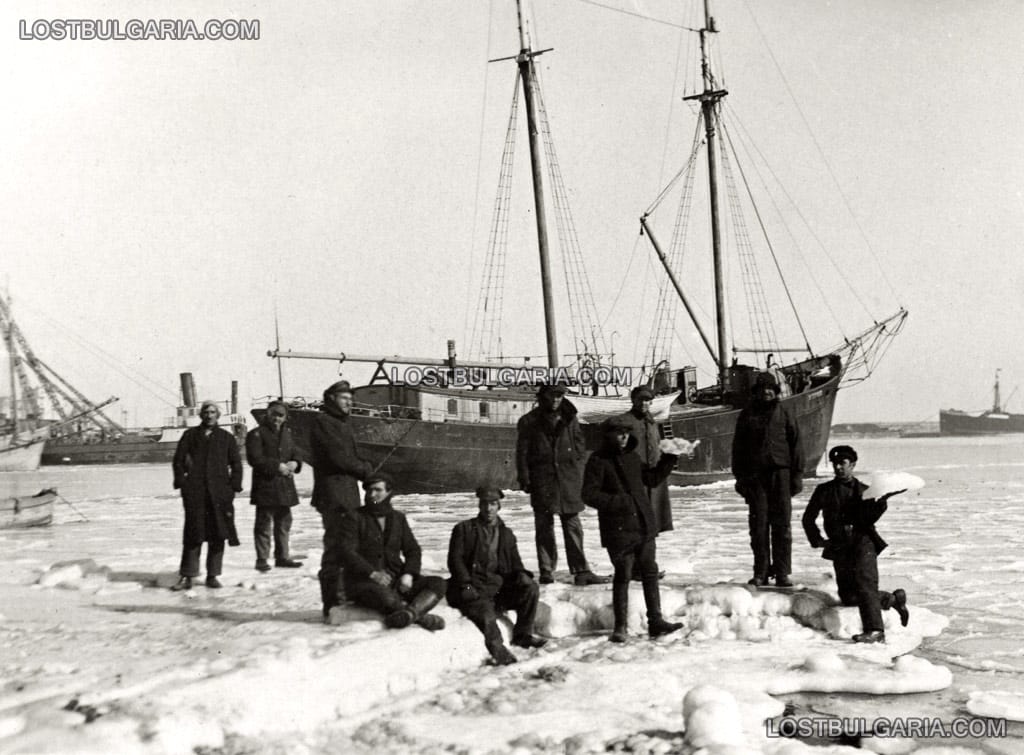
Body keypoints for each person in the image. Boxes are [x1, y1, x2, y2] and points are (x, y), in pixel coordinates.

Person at [582, 416, 683, 643]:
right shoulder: (598, 461)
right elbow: (588, 494)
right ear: (608, 435)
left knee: (649, 572)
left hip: (644, 525)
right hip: (618, 529)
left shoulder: (632, 456)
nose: (624, 436)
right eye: (619, 433)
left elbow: (652, 479)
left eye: (626, 432)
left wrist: (669, 457)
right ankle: (620, 627)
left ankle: (655, 621)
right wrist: (620, 502)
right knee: (623, 575)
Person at [802, 445, 909, 643]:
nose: (838, 468)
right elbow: (808, 518)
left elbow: (870, 519)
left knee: (865, 585)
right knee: (849, 596)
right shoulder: (823, 490)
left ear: (852, 465)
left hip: (863, 543)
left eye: (843, 464)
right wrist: (817, 540)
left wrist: (881, 502)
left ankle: (875, 631)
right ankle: (891, 600)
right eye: (835, 464)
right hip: (839, 546)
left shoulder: (865, 491)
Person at [515, 383, 606, 586]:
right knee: (544, 526)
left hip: (567, 479)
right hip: (543, 479)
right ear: (542, 397)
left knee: (572, 523)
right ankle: (546, 570)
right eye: (552, 396)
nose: (556, 400)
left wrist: (577, 467)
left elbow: (579, 444)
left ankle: (581, 570)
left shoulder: (570, 418)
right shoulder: (529, 421)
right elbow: (522, 452)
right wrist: (525, 478)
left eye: (559, 396)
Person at [447, 486, 547, 665]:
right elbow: (455, 562)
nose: (488, 508)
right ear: (479, 505)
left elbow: (516, 563)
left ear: (499, 506)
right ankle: (499, 651)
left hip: (498, 590)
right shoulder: (464, 529)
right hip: (473, 590)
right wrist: (466, 586)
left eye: (493, 504)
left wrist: (522, 575)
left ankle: (522, 635)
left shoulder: (506, 534)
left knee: (531, 588)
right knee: (486, 615)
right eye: (485, 504)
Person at [339, 474, 447, 631]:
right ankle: (422, 617)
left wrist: (408, 574)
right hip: (364, 582)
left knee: (438, 583)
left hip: (396, 578)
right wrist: (373, 574)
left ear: (388, 493)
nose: (372, 494)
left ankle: (411, 614)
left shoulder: (398, 518)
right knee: (387, 598)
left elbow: (412, 550)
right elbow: (347, 552)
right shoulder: (354, 517)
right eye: (369, 490)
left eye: (378, 490)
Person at [731, 371, 804, 587]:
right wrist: (740, 478)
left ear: (775, 391)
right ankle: (760, 572)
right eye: (762, 389)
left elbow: (797, 445)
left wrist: (797, 476)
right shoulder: (747, 415)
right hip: (755, 478)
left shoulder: (785, 413)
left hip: (780, 475)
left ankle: (782, 573)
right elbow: (738, 449)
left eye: (770, 388)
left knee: (782, 526)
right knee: (759, 526)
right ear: (757, 392)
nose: (767, 392)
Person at [310, 380, 374, 619]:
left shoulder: (341, 423)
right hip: (334, 496)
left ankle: (343, 597)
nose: (349, 402)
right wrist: (366, 470)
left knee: (347, 547)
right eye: (344, 398)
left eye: (350, 398)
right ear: (331, 399)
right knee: (336, 548)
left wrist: (364, 467)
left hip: (346, 494)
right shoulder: (324, 422)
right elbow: (339, 458)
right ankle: (332, 602)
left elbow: (350, 456)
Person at [170, 400, 243, 591]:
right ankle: (188, 575)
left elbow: (236, 464)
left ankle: (213, 575)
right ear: (201, 415)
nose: (209, 415)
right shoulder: (190, 435)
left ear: (217, 416)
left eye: (212, 412)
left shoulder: (226, 438)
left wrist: (233, 487)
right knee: (194, 533)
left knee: (218, 534)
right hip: (196, 493)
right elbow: (178, 460)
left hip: (220, 494)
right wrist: (183, 483)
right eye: (206, 412)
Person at [245, 401, 304, 572]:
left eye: (280, 415)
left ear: (285, 417)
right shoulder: (255, 434)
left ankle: (283, 557)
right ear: (267, 414)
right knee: (264, 523)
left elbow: (296, 452)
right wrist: (277, 466)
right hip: (266, 486)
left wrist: (295, 462)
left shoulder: (288, 433)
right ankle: (262, 559)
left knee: (284, 522)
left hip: (285, 485)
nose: (276, 418)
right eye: (273, 414)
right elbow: (255, 458)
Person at [614, 385, 674, 535]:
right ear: (633, 400)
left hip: (653, 478)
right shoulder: (625, 421)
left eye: (647, 400)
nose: (643, 403)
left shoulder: (652, 422)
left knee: (652, 524)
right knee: (636, 525)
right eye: (640, 400)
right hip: (635, 478)